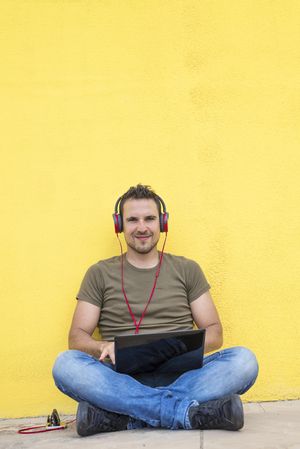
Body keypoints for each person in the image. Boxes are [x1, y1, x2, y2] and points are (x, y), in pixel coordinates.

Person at [52, 184, 258, 436]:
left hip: (183, 376)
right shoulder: (99, 273)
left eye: (149, 218)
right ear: (120, 225)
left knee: (244, 361)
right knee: (65, 364)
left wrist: (176, 348)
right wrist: (103, 347)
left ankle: (127, 418)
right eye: (132, 220)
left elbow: (215, 332)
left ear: (162, 223)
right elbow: (77, 337)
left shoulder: (187, 269)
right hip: (120, 379)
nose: (142, 227)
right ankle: (187, 414)